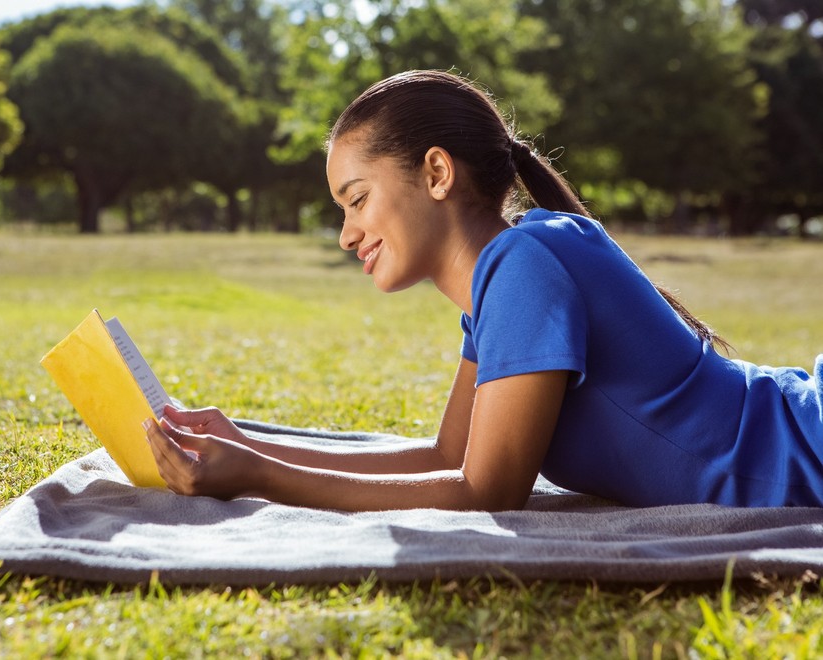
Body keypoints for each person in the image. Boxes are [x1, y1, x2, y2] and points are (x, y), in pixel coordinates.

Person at [144, 69, 823, 511]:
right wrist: (249, 447)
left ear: (436, 172)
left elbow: (485, 489)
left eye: (356, 200)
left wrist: (257, 478)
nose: (346, 235)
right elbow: (449, 459)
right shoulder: (510, 273)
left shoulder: (524, 263)